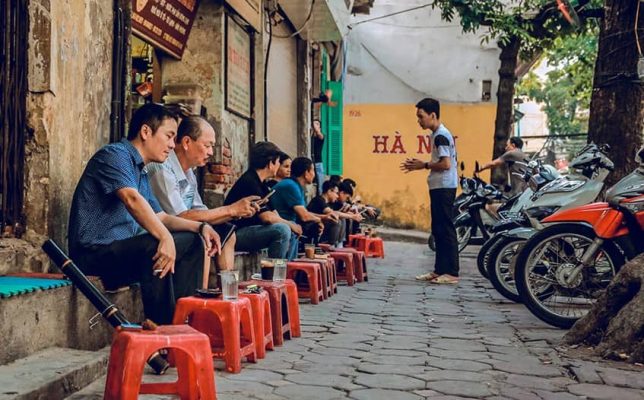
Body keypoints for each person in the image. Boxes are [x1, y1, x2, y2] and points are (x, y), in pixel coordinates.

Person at [68, 104, 220, 324]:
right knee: (154, 244)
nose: (171, 145)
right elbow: (132, 200)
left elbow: (162, 217)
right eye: (169, 136)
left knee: (194, 240)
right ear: (146, 132)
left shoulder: (141, 171)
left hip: (121, 253)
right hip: (92, 255)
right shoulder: (114, 155)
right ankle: (164, 328)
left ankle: (183, 322)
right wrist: (165, 237)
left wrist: (201, 227)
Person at [147, 116, 259, 287]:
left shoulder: (189, 172)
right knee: (202, 236)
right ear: (186, 142)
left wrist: (236, 213)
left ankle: (227, 292)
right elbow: (181, 216)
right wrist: (230, 210)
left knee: (227, 233)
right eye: (207, 146)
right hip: (160, 231)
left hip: (182, 227)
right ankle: (201, 298)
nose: (211, 152)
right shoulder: (162, 169)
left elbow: (201, 212)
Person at [401, 97, 459, 284]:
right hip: (438, 186)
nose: (419, 120)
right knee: (438, 229)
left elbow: (445, 164)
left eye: (421, 116)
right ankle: (439, 270)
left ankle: (451, 273)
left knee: (446, 229)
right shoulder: (436, 134)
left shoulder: (441, 135)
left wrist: (423, 165)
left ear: (433, 115)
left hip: (444, 186)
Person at [224, 142, 297, 259]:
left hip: (248, 231)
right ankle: (275, 273)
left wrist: (292, 226)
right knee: (282, 230)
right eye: (278, 162)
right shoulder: (250, 181)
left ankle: (287, 269)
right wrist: (290, 225)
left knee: (290, 230)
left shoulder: (262, 184)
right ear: (270, 163)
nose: (278, 165)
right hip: (234, 234)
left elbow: (274, 213)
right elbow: (267, 217)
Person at [271, 157, 330, 259]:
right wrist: (319, 219)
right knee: (310, 226)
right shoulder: (290, 186)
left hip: (290, 225)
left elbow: (304, 212)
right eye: (312, 171)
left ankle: (297, 262)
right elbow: (304, 216)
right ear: (306, 172)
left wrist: (323, 217)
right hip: (281, 225)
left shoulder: (295, 185)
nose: (314, 174)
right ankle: (287, 266)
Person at [308, 181, 362, 246]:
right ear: (329, 191)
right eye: (336, 193)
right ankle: (330, 246)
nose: (337, 196)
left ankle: (339, 244)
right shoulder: (319, 200)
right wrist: (353, 216)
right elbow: (333, 213)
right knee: (336, 221)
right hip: (310, 227)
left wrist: (352, 215)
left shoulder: (326, 201)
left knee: (341, 219)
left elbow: (336, 213)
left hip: (318, 225)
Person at [311, 119, 325, 195]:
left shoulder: (321, 137)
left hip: (318, 163)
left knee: (320, 186)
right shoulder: (310, 137)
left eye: (317, 124)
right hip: (310, 163)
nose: (315, 125)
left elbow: (320, 135)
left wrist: (317, 130)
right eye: (314, 124)